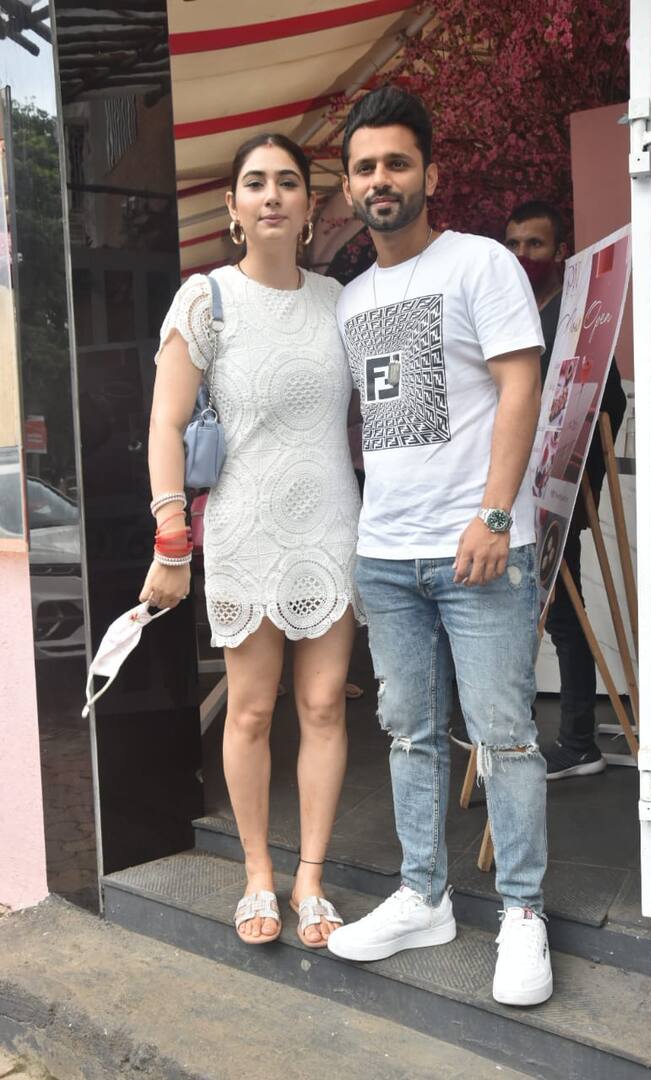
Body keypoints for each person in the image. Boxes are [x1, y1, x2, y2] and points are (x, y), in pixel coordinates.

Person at [326, 86, 553, 1008]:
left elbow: (519, 388)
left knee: (505, 738)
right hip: (386, 554)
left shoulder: (481, 265)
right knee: (407, 734)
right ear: (348, 187)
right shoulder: (350, 300)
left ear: (430, 173)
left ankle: (523, 913)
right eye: (365, 168)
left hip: (480, 549)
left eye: (396, 163)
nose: (381, 180)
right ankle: (425, 896)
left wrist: (496, 516)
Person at [140, 133, 363, 949]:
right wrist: (172, 538)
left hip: (331, 527)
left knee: (323, 707)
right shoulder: (206, 299)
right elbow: (166, 423)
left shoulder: (342, 300)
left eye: (288, 184)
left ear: (310, 207)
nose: (272, 195)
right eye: (255, 184)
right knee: (253, 712)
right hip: (240, 529)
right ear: (233, 207)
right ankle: (258, 875)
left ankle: (310, 878)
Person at [504, 201, 627, 780]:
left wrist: (579, 479)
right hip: (519, 495)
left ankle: (578, 740)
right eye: (516, 244)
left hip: (557, 494)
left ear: (559, 251)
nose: (524, 255)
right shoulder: (515, 311)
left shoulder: (572, 316)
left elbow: (612, 400)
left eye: (535, 244)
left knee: (562, 617)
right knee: (544, 615)